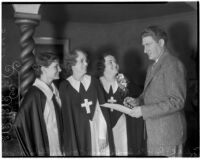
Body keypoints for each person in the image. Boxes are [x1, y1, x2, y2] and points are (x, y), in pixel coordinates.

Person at [124, 25, 187, 157]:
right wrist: (138, 101)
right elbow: (149, 95)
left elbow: (177, 101)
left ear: (161, 43)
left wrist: (143, 111)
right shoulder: (152, 67)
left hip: (168, 136)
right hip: (155, 134)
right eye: (143, 45)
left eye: (148, 44)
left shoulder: (172, 64)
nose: (145, 50)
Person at [59, 49, 115, 156]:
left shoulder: (93, 81)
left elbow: (102, 109)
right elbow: (66, 118)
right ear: (72, 64)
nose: (86, 63)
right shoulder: (65, 87)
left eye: (86, 60)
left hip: (96, 131)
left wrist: (103, 135)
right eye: (82, 61)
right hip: (77, 135)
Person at [14, 51, 64, 156]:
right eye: (56, 66)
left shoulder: (56, 91)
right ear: (43, 69)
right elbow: (19, 124)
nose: (60, 69)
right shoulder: (34, 94)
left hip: (60, 147)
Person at [97, 53, 146, 156]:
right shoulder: (96, 84)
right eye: (110, 62)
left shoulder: (122, 80)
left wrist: (134, 101)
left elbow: (140, 97)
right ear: (102, 66)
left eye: (115, 61)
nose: (115, 64)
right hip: (103, 127)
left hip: (122, 126)